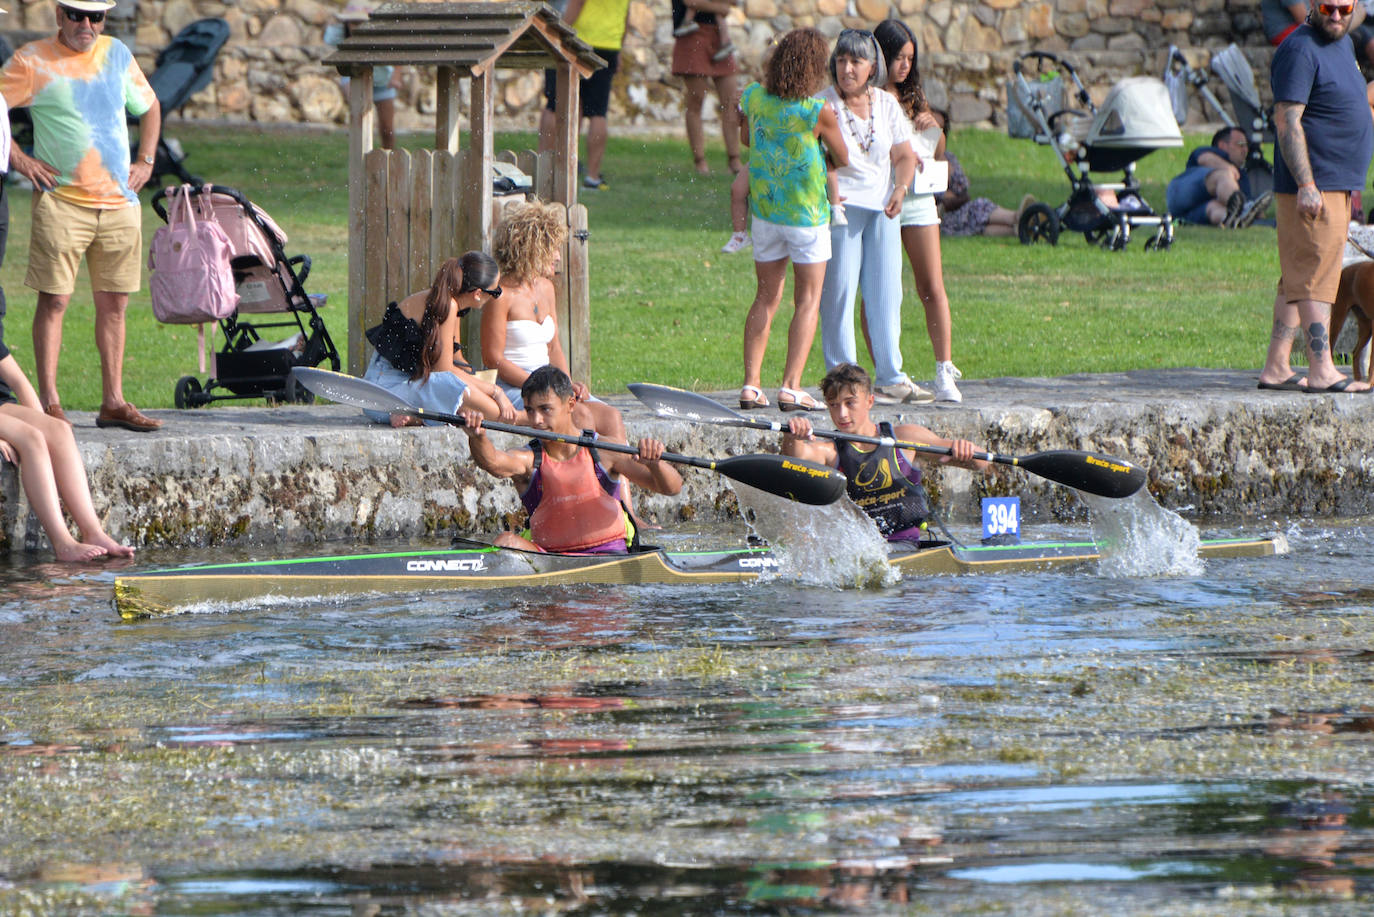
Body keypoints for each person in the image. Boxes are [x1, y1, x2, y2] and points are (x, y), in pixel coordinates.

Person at [0, 0, 162, 432]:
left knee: (115, 305)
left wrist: (146, 162)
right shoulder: (31, 60)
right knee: (54, 301)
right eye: (76, 14)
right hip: (61, 201)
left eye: (96, 16)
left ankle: (113, 402)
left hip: (119, 204)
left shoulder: (116, 53)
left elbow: (149, 106)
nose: (86, 24)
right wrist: (18, 158)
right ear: (58, 15)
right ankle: (50, 404)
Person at [1258, 0, 1374, 393]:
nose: (1338, 16)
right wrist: (1306, 185)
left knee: (1297, 275)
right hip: (1314, 186)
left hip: (1337, 183)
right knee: (1316, 278)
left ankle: (1276, 366)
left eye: (1345, 8)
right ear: (1311, 4)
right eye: (1329, 7)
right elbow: (1288, 121)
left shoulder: (1341, 40)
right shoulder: (1299, 49)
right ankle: (1322, 369)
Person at [735, 27, 848, 412]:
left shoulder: (753, 97)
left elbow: (748, 140)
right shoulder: (817, 111)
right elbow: (844, 157)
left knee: (765, 297)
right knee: (807, 300)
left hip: (766, 213)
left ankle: (751, 385)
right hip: (808, 216)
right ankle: (790, 385)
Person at [459, 365, 683, 554]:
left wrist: (655, 465)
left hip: (608, 553)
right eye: (530, 410)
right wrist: (477, 437)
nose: (536, 420)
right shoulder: (530, 459)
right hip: (550, 557)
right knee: (505, 542)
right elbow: (494, 462)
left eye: (545, 409)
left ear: (571, 404)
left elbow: (672, 487)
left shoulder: (604, 450)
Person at [815, 29, 919, 406]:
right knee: (839, 294)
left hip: (883, 209)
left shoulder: (886, 104)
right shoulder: (823, 104)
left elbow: (905, 155)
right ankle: (843, 378)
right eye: (841, 60)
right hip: (841, 209)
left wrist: (900, 188)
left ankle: (891, 374)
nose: (847, 68)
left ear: (872, 66)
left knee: (887, 294)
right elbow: (814, 156)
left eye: (855, 61)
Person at [780, 362, 986, 544]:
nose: (841, 414)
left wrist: (967, 450)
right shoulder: (830, 451)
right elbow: (795, 458)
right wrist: (792, 436)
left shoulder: (905, 439)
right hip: (860, 551)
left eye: (850, 403)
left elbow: (981, 463)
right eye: (834, 405)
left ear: (869, 401)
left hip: (906, 544)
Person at [482, 200, 626, 442]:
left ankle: (616, 478)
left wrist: (567, 385)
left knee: (611, 417)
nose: (558, 256)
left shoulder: (547, 288)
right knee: (580, 416)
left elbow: (554, 347)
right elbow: (493, 359)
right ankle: (584, 473)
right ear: (529, 248)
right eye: (552, 248)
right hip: (519, 387)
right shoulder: (501, 296)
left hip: (552, 383)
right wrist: (542, 385)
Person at [875, 19, 961, 403]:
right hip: (883, 199)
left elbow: (938, 152)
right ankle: (884, 369)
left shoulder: (913, 96)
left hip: (919, 201)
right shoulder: (869, 96)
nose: (905, 66)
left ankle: (944, 370)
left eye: (910, 58)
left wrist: (934, 127)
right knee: (879, 289)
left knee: (932, 286)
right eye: (898, 57)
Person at [362, 253, 519, 426]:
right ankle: (518, 419)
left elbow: (456, 361)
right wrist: (495, 392)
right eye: (495, 292)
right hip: (381, 395)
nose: (495, 297)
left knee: (464, 395)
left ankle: (417, 417)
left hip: (409, 388)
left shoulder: (453, 302)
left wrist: (479, 384)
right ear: (478, 293)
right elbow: (444, 373)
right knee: (458, 391)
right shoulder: (447, 305)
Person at [538, 0, 632, 191]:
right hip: (609, 44)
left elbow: (578, 2)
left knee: (556, 104)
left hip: (578, 42)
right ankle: (592, 176)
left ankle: (545, 167)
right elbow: (626, 14)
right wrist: (619, 47)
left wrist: (559, 33)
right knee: (598, 112)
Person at [671, 0, 741, 175]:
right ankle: (700, 161)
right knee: (696, 101)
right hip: (692, 33)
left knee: (731, 101)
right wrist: (720, 7)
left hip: (719, 35)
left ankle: (734, 159)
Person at [323, 0, 403, 150]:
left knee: (387, 130)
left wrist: (396, 76)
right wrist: (331, 21)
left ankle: (389, 159)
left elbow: (398, 53)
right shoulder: (340, 34)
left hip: (383, 80)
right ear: (346, 23)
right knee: (360, 118)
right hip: (354, 77)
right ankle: (361, 154)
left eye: (361, 22)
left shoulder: (382, 37)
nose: (357, 27)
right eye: (353, 23)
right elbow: (327, 36)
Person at [1166, 127, 1274, 228]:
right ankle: (1243, 209)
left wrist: (1258, 215)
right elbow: (1205, 159)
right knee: (1224, 175)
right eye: (1240, 144)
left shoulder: (1242, 176)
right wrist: (1228, 168)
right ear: (1222, 145)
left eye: (1246, 146)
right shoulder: (1209, 152)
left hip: (1189, 213)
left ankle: (1234, 221)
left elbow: (1257, 211)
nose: (1245, 150)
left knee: (1214, 208)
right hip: (1181, 192)